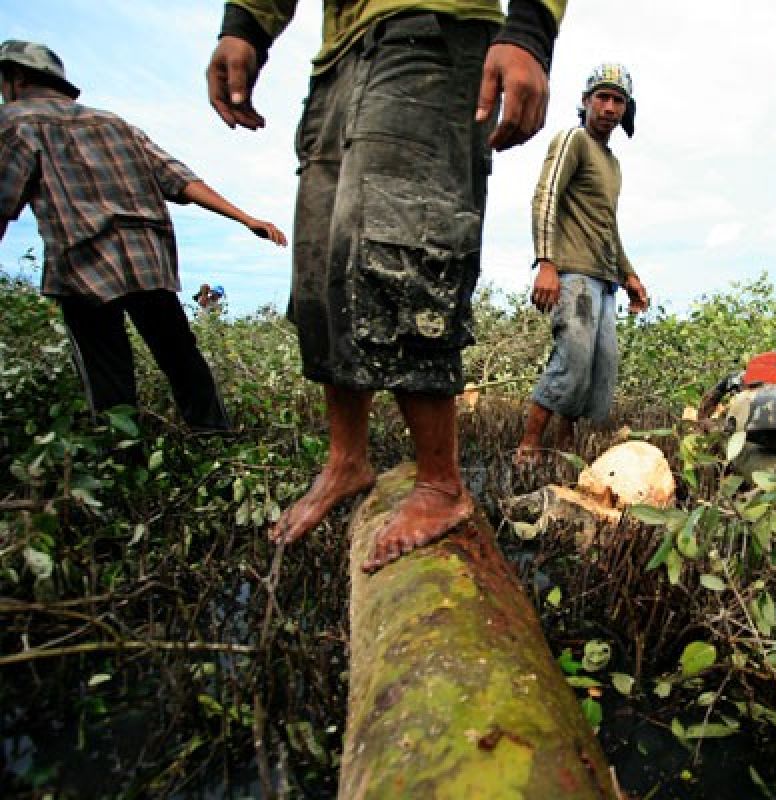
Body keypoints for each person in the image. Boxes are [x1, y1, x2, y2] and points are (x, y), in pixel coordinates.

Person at [205, 0, 567, 572]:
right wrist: (247, 24)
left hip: (434, 31)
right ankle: (347, 459)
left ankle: (441, 484)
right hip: (336, 62)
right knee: (325, 269)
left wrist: (529, 28)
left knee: (407, 244)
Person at [0, 40, 287, 433]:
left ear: (14, 79)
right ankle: (215, 438)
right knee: (182, 359)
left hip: (85, 266)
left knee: (109, 376)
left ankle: (122, 455)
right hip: (148, 260)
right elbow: (180, 178)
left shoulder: (15, 122)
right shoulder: (113, 123)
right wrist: (245, 218)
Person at [514, 63, 649, 465]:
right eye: (602, 98)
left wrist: (630, 276)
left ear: (626, 109)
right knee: (572, 359)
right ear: (586, 102)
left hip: (604, 279)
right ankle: (528, 446)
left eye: (618, 100)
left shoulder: (612, 164)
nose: (609, 107)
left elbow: (608, 226)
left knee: (598, 366)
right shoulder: (573, 139)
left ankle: (565, 447)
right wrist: (546, 263)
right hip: (571, 272)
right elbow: (546, 197)